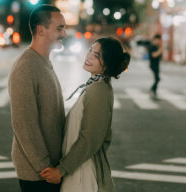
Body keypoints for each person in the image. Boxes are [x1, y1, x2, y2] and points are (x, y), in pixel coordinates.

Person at [40, 37, 130, 192]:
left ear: (107, 63)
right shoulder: (96, 85)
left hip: (84, 175)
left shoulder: (98, 90)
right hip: (80, 170)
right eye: (90, 50)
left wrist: (61, 170)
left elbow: (90, 139)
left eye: (96, 55)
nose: (88, 56)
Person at [8, 5, 67, 192]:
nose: (64, 33)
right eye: (59, 28)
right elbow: (24, 123)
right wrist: (44, 167)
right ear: (40, 30)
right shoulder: (26, 67)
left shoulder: (44, 62)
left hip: (50, 169)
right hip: (38, 174)